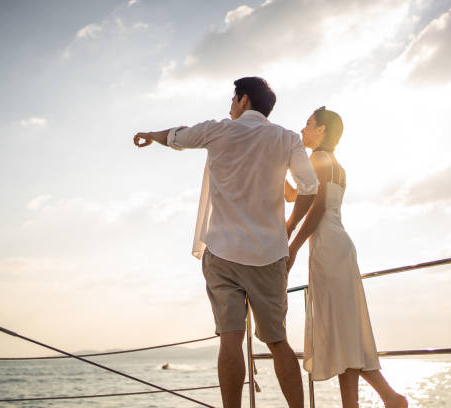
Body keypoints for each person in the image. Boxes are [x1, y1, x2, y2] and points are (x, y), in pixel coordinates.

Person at [133, 77, 319, 408]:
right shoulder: (287, 138)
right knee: (278, 342)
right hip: (269, 255)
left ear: (244, 100)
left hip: (222, 253)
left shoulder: (219, 130)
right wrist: (288, 229)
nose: (230, 106)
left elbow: (177, 136)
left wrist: (150, 135)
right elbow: (308, 187)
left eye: (233, 99)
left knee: (230, 340)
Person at [285, 107, 408, 408]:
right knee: (345, 333)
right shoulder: (335, 164)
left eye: (308, 124)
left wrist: (294, 246)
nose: (303, 129)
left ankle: (390, 398)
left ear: (322, 130)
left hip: (327, 247)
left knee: (342, 333)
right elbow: (295, 196)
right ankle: (390, 398)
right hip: (339, 246)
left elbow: (318, 207)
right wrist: (278, 169)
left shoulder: (319, 159)